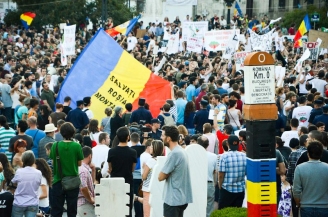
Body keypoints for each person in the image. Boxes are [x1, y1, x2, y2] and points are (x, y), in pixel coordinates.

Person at [49, 122, 84, 217]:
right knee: (72, 210)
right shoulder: (77, 146)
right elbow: (80, 163)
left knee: (56, 210)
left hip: (58, 180)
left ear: (61, 132)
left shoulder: (55, 145)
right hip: (72, 181)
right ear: (73, 133)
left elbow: (53, 162)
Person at [158, 125, 193, 217]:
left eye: (162, 135)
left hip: (173, 199)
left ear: (168, 138)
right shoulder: (181, 151)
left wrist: (166, 173)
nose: (161, 137)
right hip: (181, 198)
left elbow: (160, 177)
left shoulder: (174, 154)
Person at [107, 127, 137, 217]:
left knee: (115, 208)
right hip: (127, 182)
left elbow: (110, 168)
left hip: (114, 182)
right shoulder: (133, 152)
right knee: (127, 208)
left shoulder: (111, 151)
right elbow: (132, 169)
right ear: (128, 137)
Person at [293, 141, 328, 217]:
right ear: (321, 154)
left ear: (308, 153)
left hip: (306, 206)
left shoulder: (299, 168)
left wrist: (298, 203)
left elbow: (296, 190)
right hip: (325, 207)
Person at [218, 135, 246, 209]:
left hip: (227, 189)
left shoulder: (224, 156)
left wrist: (220, 186)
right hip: (240, 190)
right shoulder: (244, 156)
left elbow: (221, 174)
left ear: (228, 144)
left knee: (224, 212)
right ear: (238, 144)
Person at [11, 150, 42, 217]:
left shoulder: (19, 171)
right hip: (33, 202)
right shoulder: (38, 173)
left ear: (23, 160)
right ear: (33, 160)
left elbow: (13, 182)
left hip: (19, 202)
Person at [142, 140, 164, 217]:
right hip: (158, 188)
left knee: (147, 213)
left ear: (154, 148)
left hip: (148, 188)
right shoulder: (162, 160)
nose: (150, 148)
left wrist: (144, 168)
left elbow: (144, 176)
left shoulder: (151, 160)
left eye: (151, 146)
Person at [197, 136, 217, 217]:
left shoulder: (194, 156)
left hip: (197, 184)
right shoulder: (214, 156)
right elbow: (215, 172)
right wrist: (214, 183)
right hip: (209, 183)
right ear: (208, 145)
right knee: (209, 208)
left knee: (197, 208)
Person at [78, 146, 96, 217]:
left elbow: (90, 184)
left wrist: (93, 170)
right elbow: (83, 188)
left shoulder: (83, 168)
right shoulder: (83, 171)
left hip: (83, 204)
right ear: (90, 156)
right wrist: (90, 199)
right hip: (84, 203)